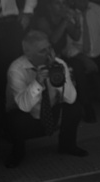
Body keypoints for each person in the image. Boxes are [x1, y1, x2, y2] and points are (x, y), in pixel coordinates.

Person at [5, 29, 85, 167]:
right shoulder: (16, 69)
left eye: (49, 48)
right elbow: (23, 106)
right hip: (26, 115)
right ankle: (18, 152)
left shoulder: (58, 63)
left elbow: (71, 99)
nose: (49, 54)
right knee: (16, 118)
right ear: (28, 54)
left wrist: (58, 77)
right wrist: (37, 83)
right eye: (43, 51)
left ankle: (67, 145)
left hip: (50, 111)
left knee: (75, 109)